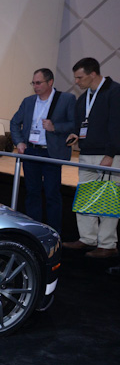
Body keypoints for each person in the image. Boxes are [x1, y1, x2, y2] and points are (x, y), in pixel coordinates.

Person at [62, 57, 120, 258]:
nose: (76, 82)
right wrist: (75, 134)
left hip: (108, 155)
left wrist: (110, 154)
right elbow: (80, 125)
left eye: (80, 77)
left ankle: (108, 244)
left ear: (93, 74)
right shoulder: (83, 99)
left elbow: (117, 126)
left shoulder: (115, 92)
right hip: (87, 154)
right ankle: (87, 238)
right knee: (85, 197)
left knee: (108, 198)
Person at [9, 68, 76, 233]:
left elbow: (74, 124)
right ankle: (34, 230)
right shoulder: (28, 101)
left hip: (51, 153)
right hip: (31, 152)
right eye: (33, 83)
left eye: (38, 83)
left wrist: (55, 127)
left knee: (52, 193)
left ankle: (54, 232)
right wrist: (19, 142)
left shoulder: (66, 99)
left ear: (50, 82)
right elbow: (14, 122)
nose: (35, 86)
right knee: (32, 192)